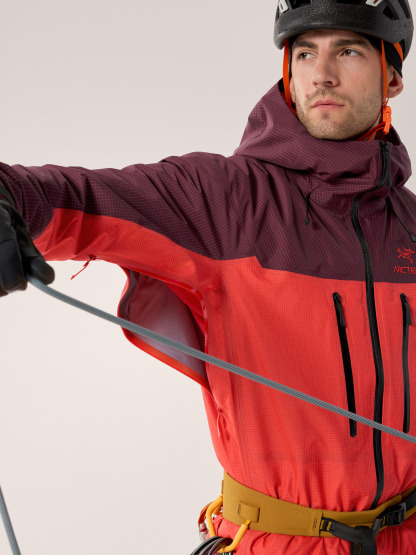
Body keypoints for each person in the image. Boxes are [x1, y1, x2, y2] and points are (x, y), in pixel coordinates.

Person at [0, 0, 415, 553]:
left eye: (349, 51)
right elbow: (72, 197)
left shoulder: (410, 223)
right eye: (304, 53)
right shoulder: (223, 201)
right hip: (279, 542)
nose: (322, 73)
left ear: (392, 77)